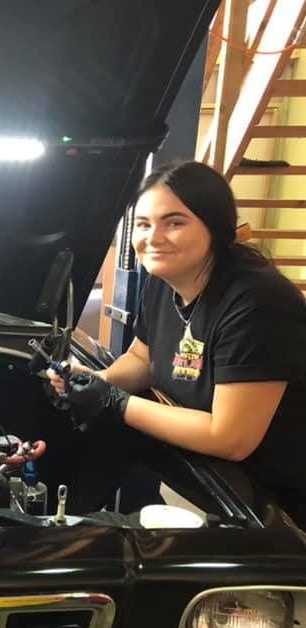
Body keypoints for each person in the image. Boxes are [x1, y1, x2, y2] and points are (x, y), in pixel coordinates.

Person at [48, 160, 306, 525]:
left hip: (285, 507)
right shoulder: (163, 280)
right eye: (143, 224)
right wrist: (95, 379)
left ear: (215, 226)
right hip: (217, 479)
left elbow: (230, 437)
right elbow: (143, 358)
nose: (153, 238)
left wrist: (115, 402)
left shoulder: (258, 302)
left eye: (174, 222)